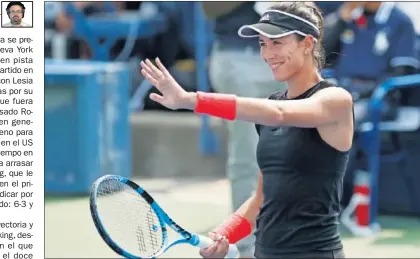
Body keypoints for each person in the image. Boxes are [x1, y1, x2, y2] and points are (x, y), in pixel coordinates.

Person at [140, 1, 353, 258]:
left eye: (277, 42)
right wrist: (222, 235)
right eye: (263, 43)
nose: (267, 54)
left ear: (307, 44)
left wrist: (191, 100)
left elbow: (280, 115)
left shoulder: (336, 100)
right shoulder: (273, 104)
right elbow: (261, 199)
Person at [200, 3, 287, 257]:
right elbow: (208, 8)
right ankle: (245, 242)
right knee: (247, 154)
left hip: (286, 56)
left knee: (293, 153)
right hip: (237, 58)